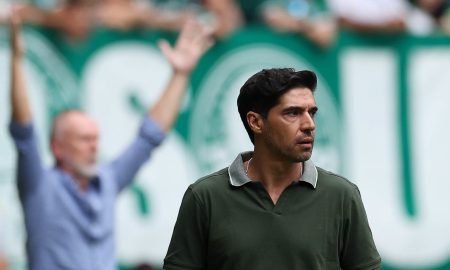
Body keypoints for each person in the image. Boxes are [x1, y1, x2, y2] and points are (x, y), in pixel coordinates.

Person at [9, 8, 213, 270]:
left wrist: (180, 74)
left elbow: (149, 137)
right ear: (57, 148)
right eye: (84, 139)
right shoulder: (39, 186)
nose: (94, 146)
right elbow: (24, 132)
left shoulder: (106, 180)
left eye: (96, 138)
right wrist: (16, 60)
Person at [164, 68, 381, 269]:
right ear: (256, 122)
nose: (309, 124)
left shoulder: (342, 195)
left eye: (311, 112)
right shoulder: (204, 197)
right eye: (293, 113)